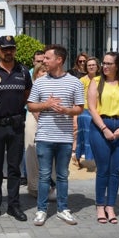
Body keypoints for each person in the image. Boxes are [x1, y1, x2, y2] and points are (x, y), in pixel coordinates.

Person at [27, 45, 84, 226]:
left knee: (62, 175)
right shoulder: (40, 82)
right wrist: (47, 104)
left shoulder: (75, 82)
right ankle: (41, 210)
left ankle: (63, 209)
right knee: (44, 175)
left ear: (59, 60)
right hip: (44, 136)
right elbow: (31, 106)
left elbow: (80, 108)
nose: (44, 61)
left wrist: (67, 110)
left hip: (65, 138)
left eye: (47, 58)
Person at [0, 35, 32, 224]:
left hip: (16, 126)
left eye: (11, 48)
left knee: (14, 169)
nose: (8, 52)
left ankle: (13, 206)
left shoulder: (23, 71)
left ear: (15, 50)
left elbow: (27, 94)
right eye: (5, 49)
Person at [88, 52, 119, 224]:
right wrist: (104, 128)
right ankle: (100, 205)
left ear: (117, 65)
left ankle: (111, 206)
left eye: (109, 63)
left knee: (115, 170)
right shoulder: (96, 82)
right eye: (104, 63)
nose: (104, 66)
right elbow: (92, 108)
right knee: (103, 169)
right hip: (101, 126)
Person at [24, 62, 48, 198]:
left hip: (49, 120)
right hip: (32, 118)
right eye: (41, 71)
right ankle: (33, 186)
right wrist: (38, 116)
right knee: (31, 151)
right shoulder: (32, 87)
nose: (44, 74)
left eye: (46, 71)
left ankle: (50, 184)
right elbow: (30, 104)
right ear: (35, 74)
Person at [73, 56, 100, 168]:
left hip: (99, 110)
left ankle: (98, 159)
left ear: (98, 66)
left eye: (93, 65)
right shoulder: (82, 81)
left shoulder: (102, 79)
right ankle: (78, 156)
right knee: (82, 135)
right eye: (89, 65)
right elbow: (77, 98)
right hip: (84, 110)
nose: (91, 67)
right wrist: (75, 117)